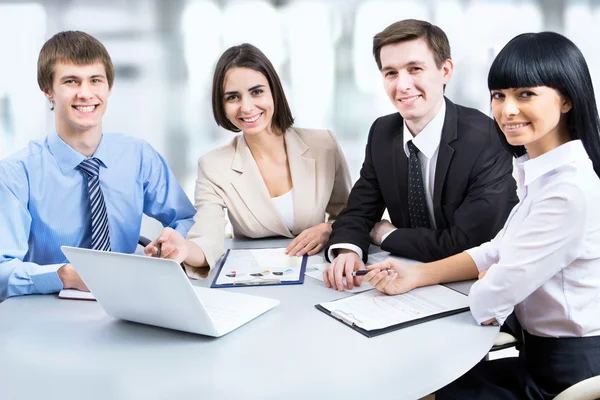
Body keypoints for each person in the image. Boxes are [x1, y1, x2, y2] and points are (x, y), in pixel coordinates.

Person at [365, 32, 600, 400]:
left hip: (567, 373)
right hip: (539, 355)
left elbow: (497, 290)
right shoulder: (543, 174)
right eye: (499, 95)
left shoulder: (568, 191)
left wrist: (491, 281)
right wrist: (417, 275)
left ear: (567, 99)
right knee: (422, 380)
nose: (507, 110)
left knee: (418, 388)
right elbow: (496, 250)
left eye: (526, 94)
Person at [323, 19, 518, 291]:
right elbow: (359, 210)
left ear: (445, 70)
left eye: (415, 69)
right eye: (391, 73)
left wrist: (387, 235)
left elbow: (469, 244)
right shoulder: (382, 131)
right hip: (402, 281)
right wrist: (348, 251)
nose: (402, 85)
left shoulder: (487, 138)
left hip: (476, 285)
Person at [0, 31, 196, 301]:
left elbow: (185, 218)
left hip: (132, 301)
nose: (85, 93)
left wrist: (173, 241)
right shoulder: (16, 174)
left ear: (109, 88)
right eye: (71, 81)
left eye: (95, 80)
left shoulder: (138, 156)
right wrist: (64, 275)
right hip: (49, 308)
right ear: (48, 91)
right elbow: (2, 270)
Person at [145, 43, 352, 277]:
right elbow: (207, 238)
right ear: (221, 105)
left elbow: (351, 214)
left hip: (321, 276)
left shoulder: (323, 144)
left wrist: (328, 229)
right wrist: (181, 249)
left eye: (256, 92)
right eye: (233, 97)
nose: (246, 107)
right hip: (254, 281)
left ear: (274, 91)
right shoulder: (213, 165)